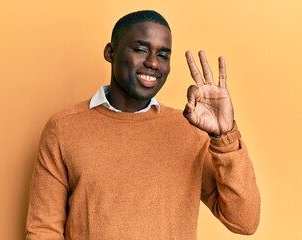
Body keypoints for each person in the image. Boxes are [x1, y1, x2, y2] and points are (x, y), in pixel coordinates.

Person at [26, 10, 260, 240]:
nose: (152, 63)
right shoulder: (64, 128)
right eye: (140, 49)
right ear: (110, 52)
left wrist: (224, 136)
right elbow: (43, 229)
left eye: (163, 55)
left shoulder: (190, 131)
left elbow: (244, 222)